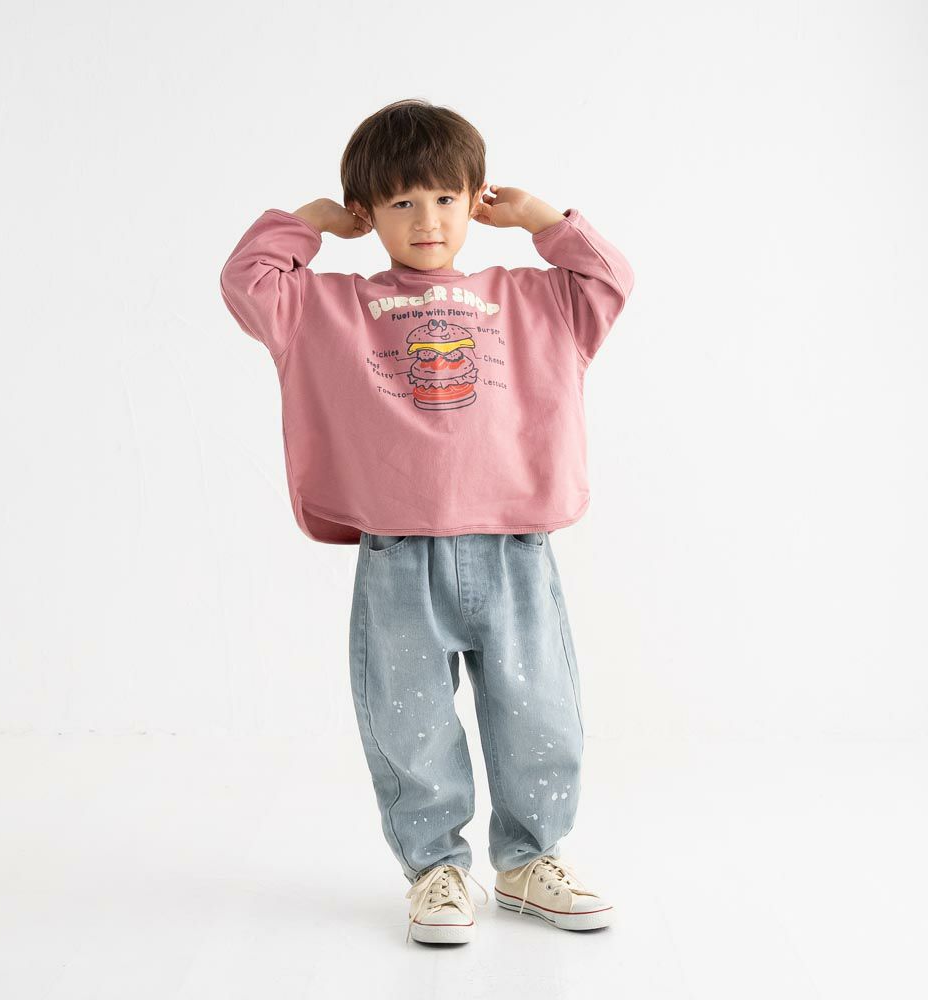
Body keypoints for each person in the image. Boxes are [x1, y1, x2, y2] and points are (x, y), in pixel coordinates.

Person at [218, 98, 633, 945]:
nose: (427, 221)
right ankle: (436, 869)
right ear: (368, 213)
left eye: (446, 198)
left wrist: (541, 219)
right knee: (409, 724)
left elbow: (609, 280)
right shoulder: (330, 308)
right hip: (400, 555)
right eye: (401, 202)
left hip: (514, 548)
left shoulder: (532, 298)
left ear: (476, 199)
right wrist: (312, 222)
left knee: (540, 712)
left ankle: (529, 861)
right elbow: (248, 279)